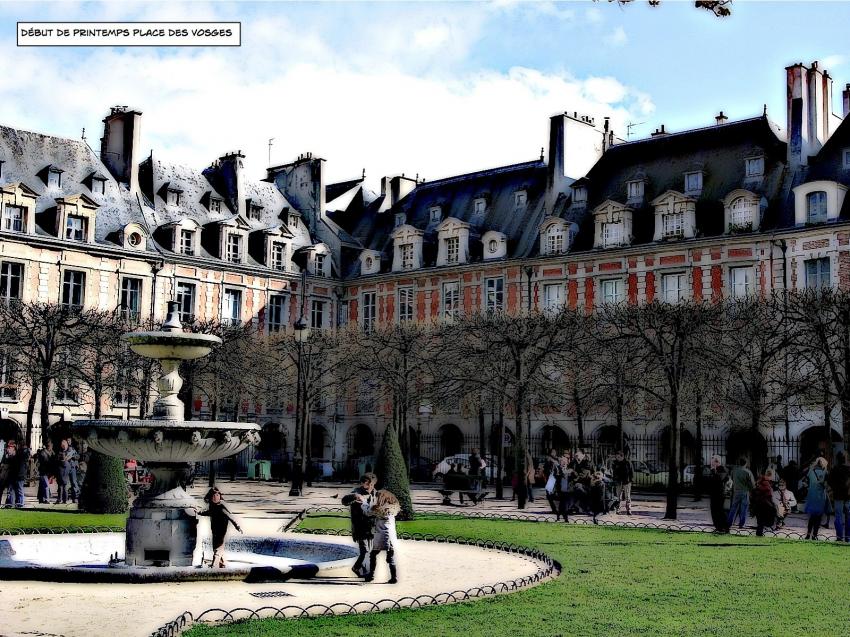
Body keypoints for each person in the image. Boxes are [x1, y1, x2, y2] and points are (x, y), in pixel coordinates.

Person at [341, 473, 376, 576]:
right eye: (366, 483)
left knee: (369, 551)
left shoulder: (375, 493)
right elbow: (344, 501)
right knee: (365, 550)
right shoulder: (356, 492)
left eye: (371, 484)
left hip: (371, 527)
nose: (369, 486)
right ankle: (358, 568)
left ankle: (363, 570)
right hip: (359, 527)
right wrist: (355, 496)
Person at [198, 486, 242, 568]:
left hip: (221, 530)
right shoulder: (213, 507)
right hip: (215, 529)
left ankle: (214, 564)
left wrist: (237, 526)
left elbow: (230, 517)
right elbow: (209, 512)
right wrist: (200, 512)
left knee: (218, 547)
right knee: (217, 545)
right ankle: (223, 563)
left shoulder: (221, 508)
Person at [362, 489, 400, 584]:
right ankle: (394, 577)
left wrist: (363, 502)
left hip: (382, 535)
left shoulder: (379, 508)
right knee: (390, 557)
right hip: (391, 536)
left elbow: (367, 512)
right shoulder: (393, 508)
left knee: (373, 555)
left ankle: (371, 575)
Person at [804, 457, 829, 540]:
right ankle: (815, 535)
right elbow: (826, 485)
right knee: (818, 517)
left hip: (811, 496)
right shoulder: (825, 472)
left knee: (812, 516)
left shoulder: (811, 471)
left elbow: (806, 481)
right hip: (821, 497)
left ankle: (808, 534)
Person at [828, 452, 850, 542]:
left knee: (838, 517)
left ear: (837, 459)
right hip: (848, 496)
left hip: (838, 496)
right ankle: (848, 537)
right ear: (844, 459)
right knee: (848, 517)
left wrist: (834, 488)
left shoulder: (834, 469)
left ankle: (839, 537)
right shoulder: (849, 469)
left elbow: (829, 481)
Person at [727, 457, 755, 529]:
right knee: (743, 508)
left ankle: (729, 522)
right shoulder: (748, 472)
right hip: (745, 492)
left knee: (733, 508)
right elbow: (752, 484)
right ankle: (741, 524)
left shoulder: (734, 471)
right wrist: (752, 491)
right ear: (746, 463)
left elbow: (731, 480)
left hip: (736, 491)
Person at [707, 456, 729, 533]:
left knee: (718, 510)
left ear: (717, 462)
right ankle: (719, 527)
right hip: (715, 493)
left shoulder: (721, 470)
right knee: (715, 510)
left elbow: (719, 481)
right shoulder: (715, 470)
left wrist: (713, 472)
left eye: (712, 461)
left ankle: (723, 527)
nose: (711, 463)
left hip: (718, 494)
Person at [751, 469, 776, 537]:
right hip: (765, 505)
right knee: (764, 521)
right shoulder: (767, 485)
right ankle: (760, 533)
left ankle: (759, 534)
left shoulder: (758, 484)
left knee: (760, 522)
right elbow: (769, 496)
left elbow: (753, 495)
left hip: (758, 505)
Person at [611, 450, 634, 515]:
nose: (617, 458)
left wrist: (631, 480)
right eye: (616, 457)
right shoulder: (615, 463)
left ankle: (629, 510)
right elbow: (614, 472)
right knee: (618, 496)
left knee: (627, 496)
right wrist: (614, 478)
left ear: (622, 456)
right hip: (618, 481)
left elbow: (631, 472)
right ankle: (618, 509)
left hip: (626, 481)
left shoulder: (627, 462)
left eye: (618, 457)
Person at [544, 449, 560, 515]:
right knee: (552, 494)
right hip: (554, 478)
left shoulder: (549, 459)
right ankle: (555, 509)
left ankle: (554, 509)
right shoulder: (557, 459)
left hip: (551, 478)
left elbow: (546, 469)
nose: (554, 453)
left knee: (549, 495)